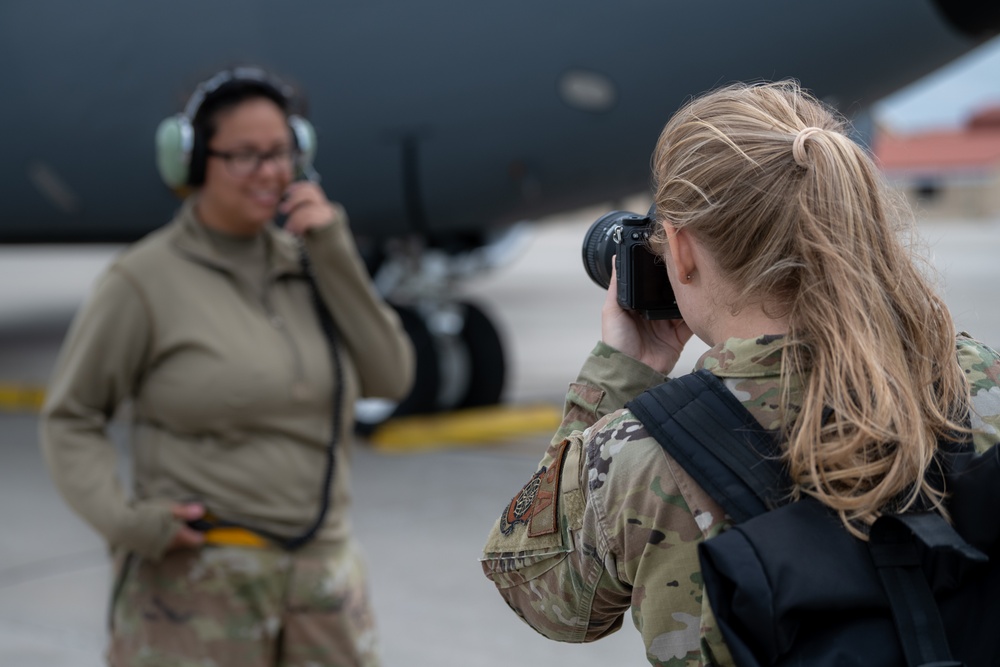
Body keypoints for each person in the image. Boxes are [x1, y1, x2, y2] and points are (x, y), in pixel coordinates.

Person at [480, 80, 1000, 666]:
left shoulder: (636, 455)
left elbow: (535, 587)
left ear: (679, 250)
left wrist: (621, 374)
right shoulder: (974, 378)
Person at [40, 66, 414, 667]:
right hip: (195, 589)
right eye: (243, 155)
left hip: (322, 583)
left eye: (280, 153)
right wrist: (127, 523)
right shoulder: (143, 280)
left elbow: (390, 377)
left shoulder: (312, 265)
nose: (268, 172)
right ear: (191, 164)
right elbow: (70, 418)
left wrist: (333, 252)